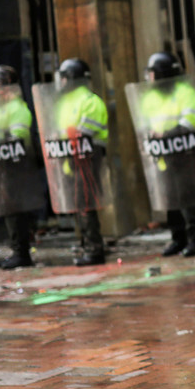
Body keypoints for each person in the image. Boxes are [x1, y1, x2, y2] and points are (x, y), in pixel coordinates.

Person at [140, 52, 195, 257]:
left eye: (152, 73)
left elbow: (191, 121)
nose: (149, 78)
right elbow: (145, 123)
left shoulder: (185, 92)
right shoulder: (150, 97)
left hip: (183, 151)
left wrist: (167, 134)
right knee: (170, 198)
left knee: (188, 197)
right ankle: (178, 239)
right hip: (163, 154)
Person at [0, 65, 37, 269]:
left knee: (15, 211)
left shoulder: (16, 108)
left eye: (0, 88)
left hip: (14, 168)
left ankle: (21, 253)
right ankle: (16, 250)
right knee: (9, 211)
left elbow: (20, 137)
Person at [55, 58, 109, 266]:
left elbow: (82, 135)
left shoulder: (89, 101)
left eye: (64, 78)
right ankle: (87, 245)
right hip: (72, 161)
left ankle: (94, 250)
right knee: (79, 205)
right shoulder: (69, 103)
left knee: (86, 205)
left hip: (88, 160)